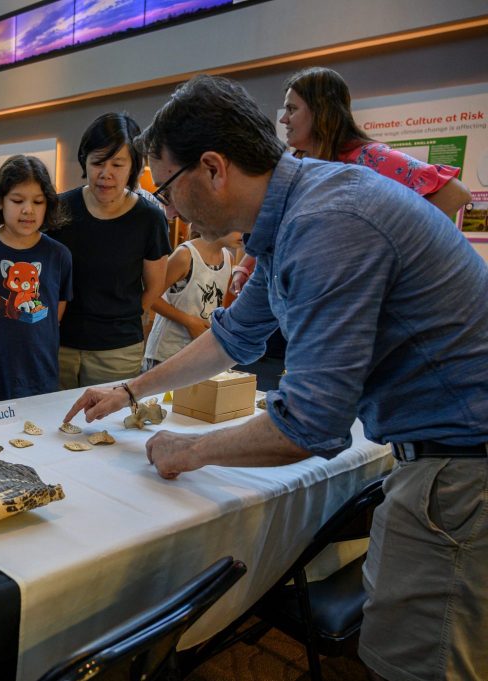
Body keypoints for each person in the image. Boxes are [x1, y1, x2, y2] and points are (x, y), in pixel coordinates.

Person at [65, 74, 487, 681]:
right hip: (447, 459)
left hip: (461, 468)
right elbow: (234, 337)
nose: (169, 208)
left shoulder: (327, 224)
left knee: (421, 663)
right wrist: (130, 390)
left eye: (168, 188)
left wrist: (190, 451)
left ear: (213, 168)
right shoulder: (296, 214)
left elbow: (310, 426)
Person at [229, 66, 472, 298]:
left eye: (292, 109)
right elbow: (275, 224)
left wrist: (384, 249)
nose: (284, 120)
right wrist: (245, 265)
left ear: (320, 110)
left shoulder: (369, 157)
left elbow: (455, 194)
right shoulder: (296, 164)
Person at [51, 112, 171, 389]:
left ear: (133, 168)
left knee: (108, 428)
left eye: (117, 164)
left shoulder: (149, 218)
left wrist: (123, 315)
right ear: (85, 161)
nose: (106, 174)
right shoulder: (60, 209)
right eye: (97, 163)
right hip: (60, 345)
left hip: (117, 351)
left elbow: (155, 285)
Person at [0, 154, 73, 404]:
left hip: (39, 377)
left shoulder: (59, 256)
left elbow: (55, 314)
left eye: (38, 202)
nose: (28, 210)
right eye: (17, 200)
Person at [142, 229, 241, 370]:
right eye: (237, 227)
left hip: (198, 354)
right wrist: (189, 322)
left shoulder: (228, 258)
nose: (245, 234)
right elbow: (152, 297)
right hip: (166, 353)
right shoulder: (185, 255)